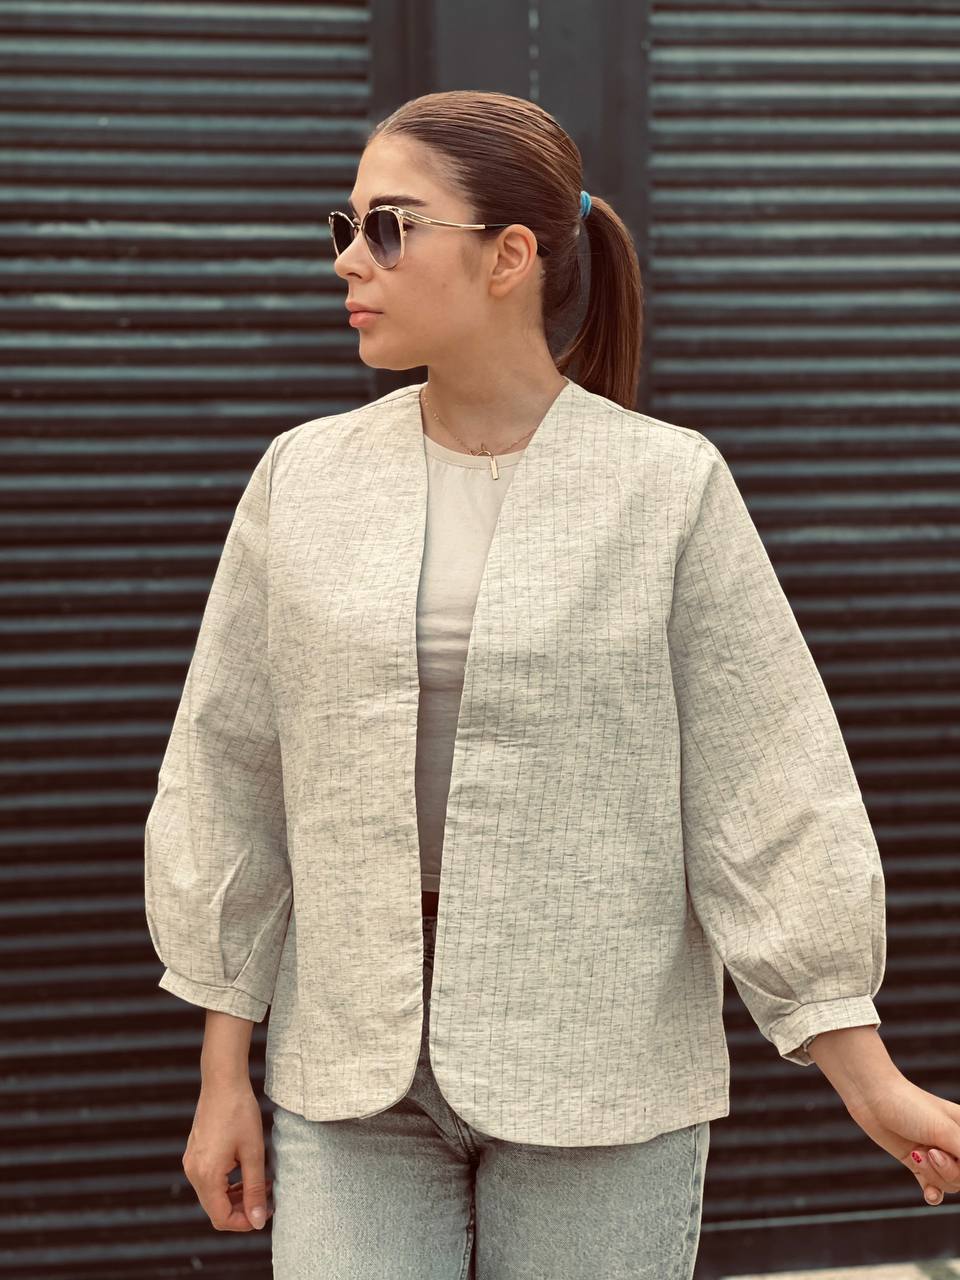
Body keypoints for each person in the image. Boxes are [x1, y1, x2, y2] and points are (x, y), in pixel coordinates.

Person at [143, 89, 960, 1279]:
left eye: (389, 227)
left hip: (603, 1069)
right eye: (345, 225)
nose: (347, 260)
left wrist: (866, 1072)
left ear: (509, 256)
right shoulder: (303, 478)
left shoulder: (666, 487)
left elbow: (767, 787)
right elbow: (232, 771)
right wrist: (223, 1071)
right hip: (350, 1071)